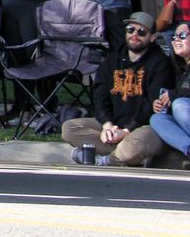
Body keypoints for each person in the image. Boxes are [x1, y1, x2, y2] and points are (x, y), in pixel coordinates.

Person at [61, 12, 173, 166]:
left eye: (141, 32)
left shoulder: (160, 63)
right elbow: (100, 95)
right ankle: (130, 156)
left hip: (144, 127)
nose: (135, 35)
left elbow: (151, 104)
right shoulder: (111, 60)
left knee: (142, 140)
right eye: (130, 29)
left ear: (152, 37)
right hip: (115, 124)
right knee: (69, 128)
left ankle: (103, 159)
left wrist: (127, 130)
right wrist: (107, 125)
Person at [149, 21, 190, 169]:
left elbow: (182, 95)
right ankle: (189, 150)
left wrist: (173, 95)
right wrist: (161, 103)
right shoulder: (178, 66)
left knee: (180, 105)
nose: (176, 39)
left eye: (182, 35)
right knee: (157, 118)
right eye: (174, 37)